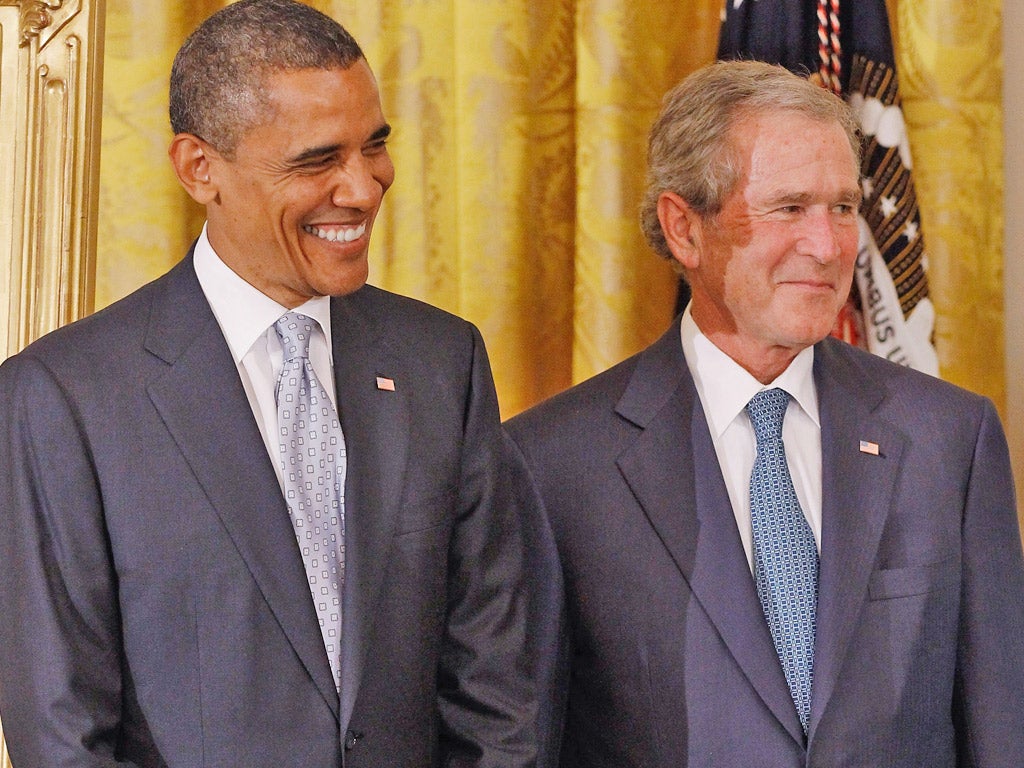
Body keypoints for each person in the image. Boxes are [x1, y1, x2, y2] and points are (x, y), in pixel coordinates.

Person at [0, 1, 544, 765]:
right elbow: (62, 734)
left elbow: (498, 688)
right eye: (317, 160)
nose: (362, 188)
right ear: (200, 169)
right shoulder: (64, 398)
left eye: (375, 146)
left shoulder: (439, 361)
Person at [504, 59, 1024, 766]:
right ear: (684, 229)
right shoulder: (551, 466)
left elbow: (1001, 730)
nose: (830, 244)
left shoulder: (949, 440)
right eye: (790, 207)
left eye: (843, 207)